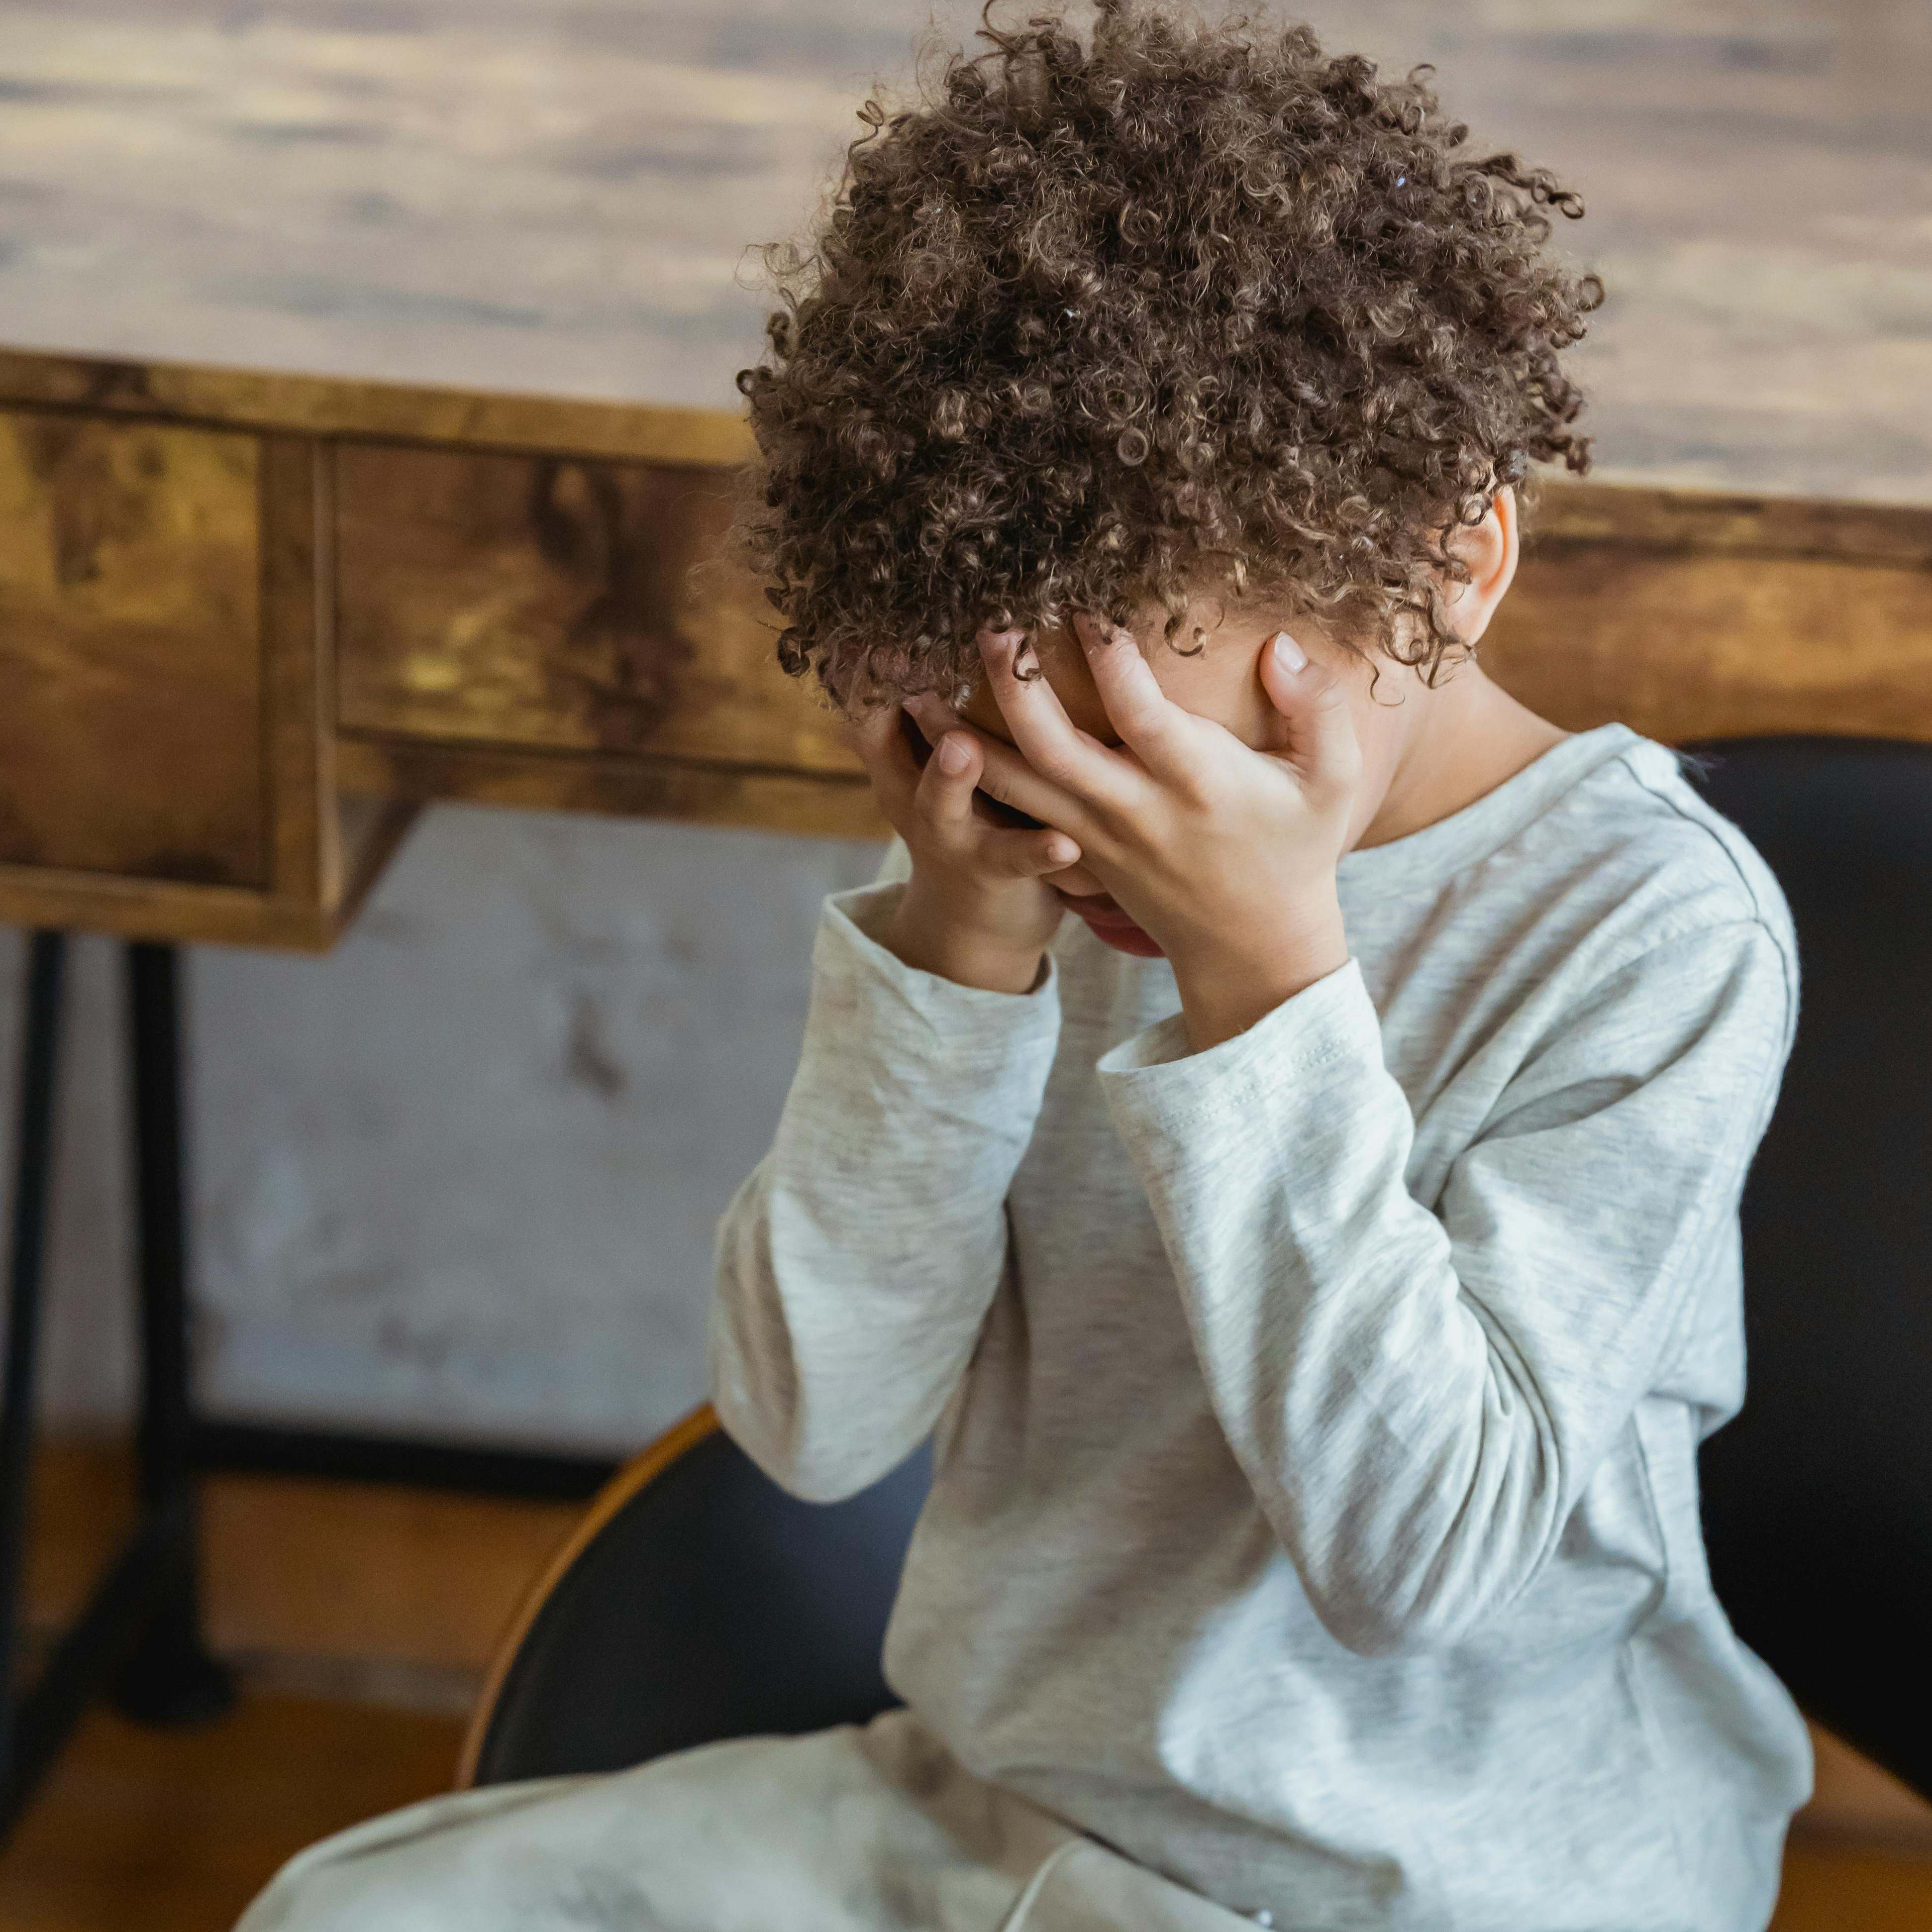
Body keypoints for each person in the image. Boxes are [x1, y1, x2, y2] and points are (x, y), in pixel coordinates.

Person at [236, 4, 1813, 1929]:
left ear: (1453, 558)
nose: (1088, 848)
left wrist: (1267, 984)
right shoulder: (1025, 864)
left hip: (1449, 1879)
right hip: (1001, 1811)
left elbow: (1422, 1565)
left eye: (1151, 765)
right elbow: (814, 1425)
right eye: (1024, 752)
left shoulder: (1647, 933)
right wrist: (955, 942)